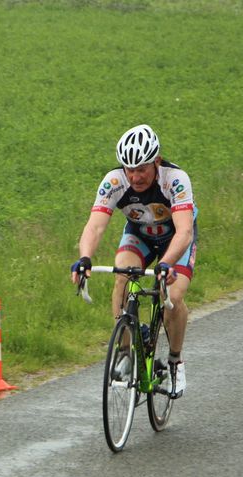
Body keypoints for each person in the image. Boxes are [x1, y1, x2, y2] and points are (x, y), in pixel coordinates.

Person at [70, 124, 198, 397]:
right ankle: (125, 352)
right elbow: (95, 226)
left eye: (142, 169)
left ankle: (175, 361)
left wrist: (167, 263)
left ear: (157, 162)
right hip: (139, 235)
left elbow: (185, 231)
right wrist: (84, 258)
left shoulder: (175, 179)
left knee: (172, 297)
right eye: (129, 169)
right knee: (123, 276)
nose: (135, 176)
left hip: (175, 240)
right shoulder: (114, 181)